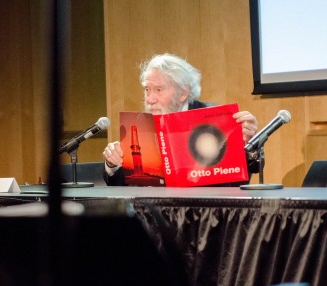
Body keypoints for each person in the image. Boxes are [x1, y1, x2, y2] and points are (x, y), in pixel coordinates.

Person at [102, 53, 259, 186]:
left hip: (205, 216)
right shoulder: (140, 125)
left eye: (158, 90)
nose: (149, 99)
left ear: (183, 92)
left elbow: (237, 184)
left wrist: (247, 144)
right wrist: (112, 164)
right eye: (147, 90)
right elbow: (123, 187)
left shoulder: (215, 121)